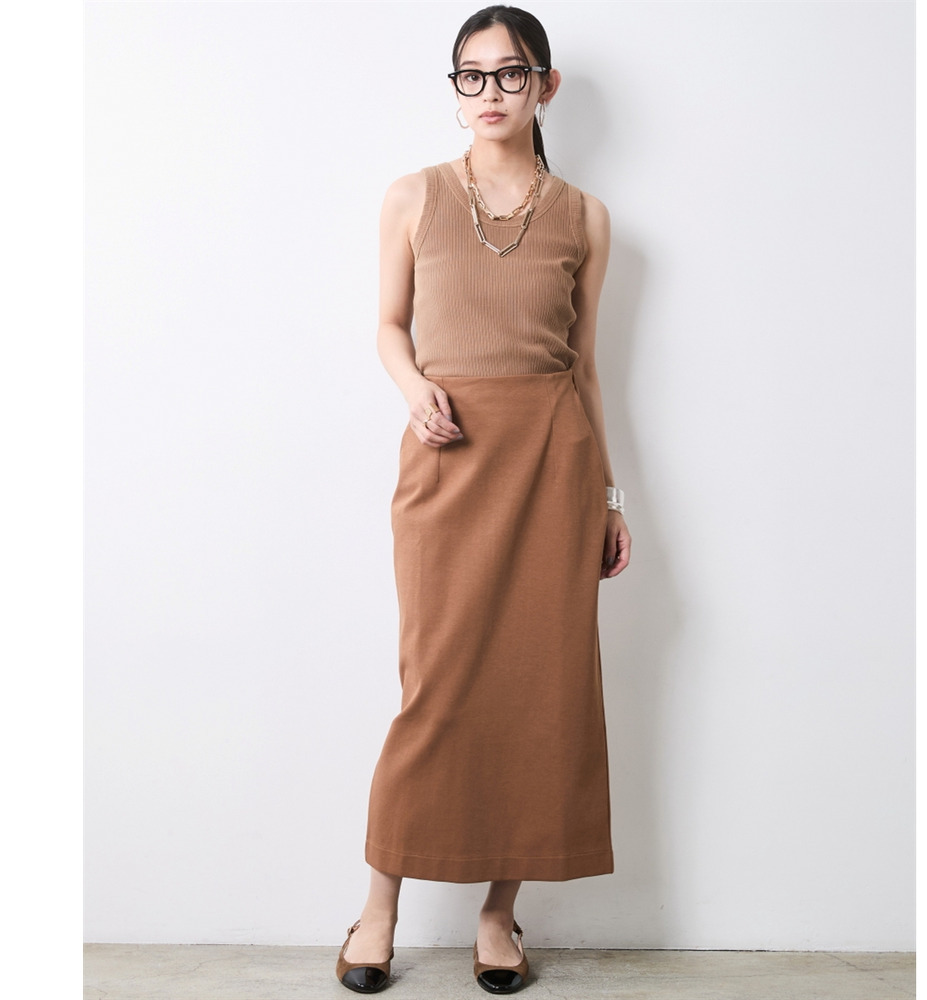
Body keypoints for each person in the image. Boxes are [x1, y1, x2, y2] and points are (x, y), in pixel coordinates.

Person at [335, 5, 632, 994]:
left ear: (545, 85)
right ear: (455, 89)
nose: (491, 92)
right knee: (437, 684)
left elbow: (584, 368)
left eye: (511, 73)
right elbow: (388, 324)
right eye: (472, 74)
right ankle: (378, 907)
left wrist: (609, 495)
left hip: (554, 462)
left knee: (542, 695)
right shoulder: (413, 195)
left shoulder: (586, 217)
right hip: (449, 456)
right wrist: (413, 386)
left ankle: (500, 914)